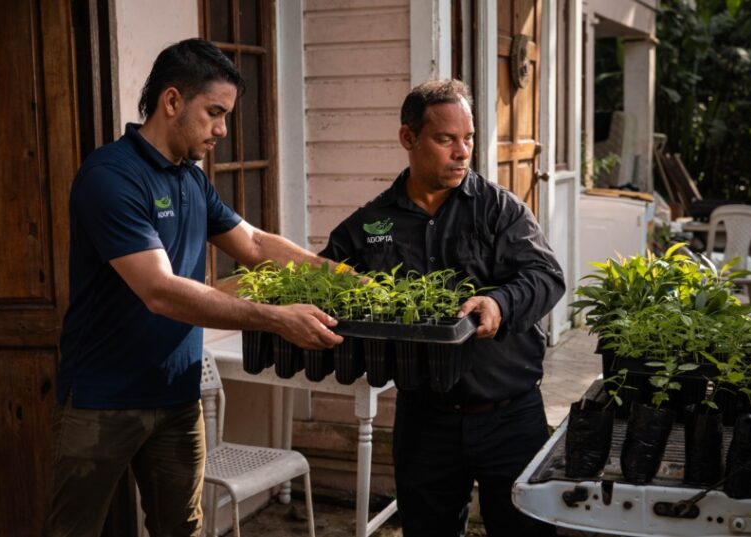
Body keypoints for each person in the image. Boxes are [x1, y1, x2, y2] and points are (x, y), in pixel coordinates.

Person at [45, 38, 342, 537]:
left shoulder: (191, 178)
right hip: (102, 399)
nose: (223, 129)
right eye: (215, 113)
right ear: (172, 101)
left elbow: (253, 242)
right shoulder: (111, 176)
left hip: (177, 398)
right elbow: (160, 291)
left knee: (180, 528)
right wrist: (275, 316)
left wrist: (336, 274)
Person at [319, 79, 565, 537]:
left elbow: (547, 277)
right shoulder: (373, 223)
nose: (462, 152)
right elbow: (321, 278)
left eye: (468, 138)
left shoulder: (499, 210)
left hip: (510, 416)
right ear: (408, 139)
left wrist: (499, 302)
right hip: (425, 418)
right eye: (446, 138)